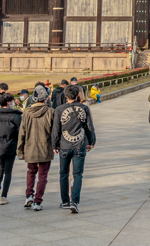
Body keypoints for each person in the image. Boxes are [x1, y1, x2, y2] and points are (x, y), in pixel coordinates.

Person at [53, 85, 96, 213]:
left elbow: (56, 129)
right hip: (79, 144)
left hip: (64, 145)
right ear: (77, 95)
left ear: (65, 96)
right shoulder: (84, 108)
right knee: (77, 174)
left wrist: (54, 145)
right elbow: (89, 126)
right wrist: (91, 142)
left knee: (64, 174)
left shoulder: (59, 109)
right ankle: (75, 201)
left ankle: (65, 201)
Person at [18, 86, 54, 210]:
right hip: (45, 147)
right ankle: (38, 201)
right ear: (45, 99)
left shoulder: (26, 113)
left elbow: (22, 132)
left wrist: (20, 150)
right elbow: (54, 132)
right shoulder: (50, 112)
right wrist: (56, 145)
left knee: (31, 171)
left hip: (30, 146)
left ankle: (29, 195)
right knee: (43, 175)